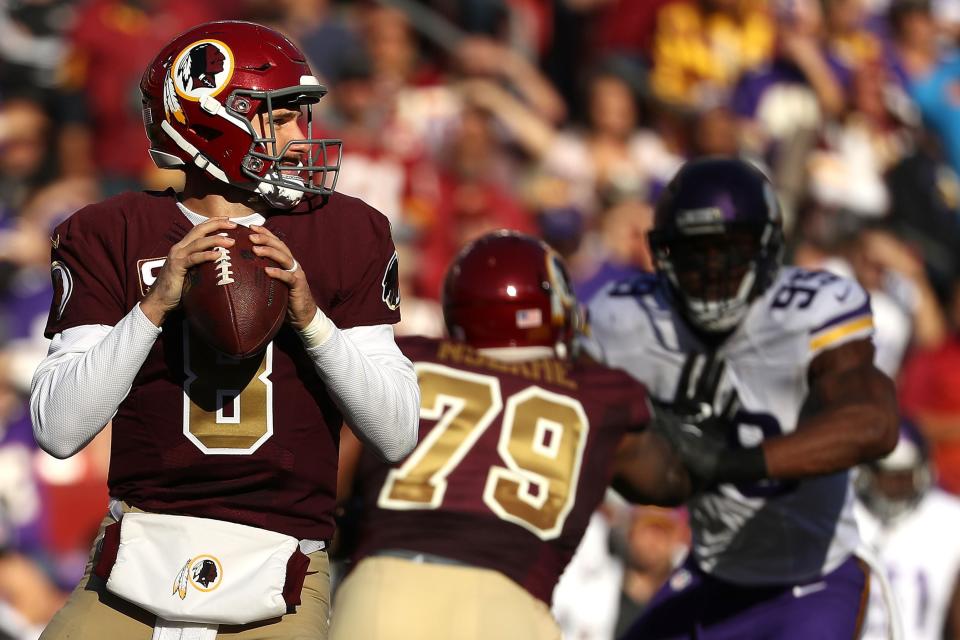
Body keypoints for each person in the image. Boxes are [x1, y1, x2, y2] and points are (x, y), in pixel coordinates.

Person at [28, 20, 420, 640]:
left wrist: (311, 319)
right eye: (279, 116)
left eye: (301, 115)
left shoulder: (345, 232)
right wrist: (153, 307)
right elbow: (58, 428)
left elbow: (397, 434)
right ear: (212, 120)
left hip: (284, 556)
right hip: (137, 544)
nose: (300, 136)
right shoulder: (109, 232)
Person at [586, 156, 900, 639]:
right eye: (696, 254)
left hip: (813, 582)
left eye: (729, 251)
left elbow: (874, 424)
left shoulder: (810, 310)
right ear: (664, 255)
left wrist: (729, 462)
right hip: (710, 575)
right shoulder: (624, 318)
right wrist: (653, 456)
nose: (713, 273)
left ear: (768, 249)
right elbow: (642, 473)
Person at [329, 231, 694, 640]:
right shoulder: (595, 390)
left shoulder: (406, 358)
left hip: (383, 589)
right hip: (506, 603)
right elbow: (668, 482)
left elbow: (328, 491)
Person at [855, 420, 960, 640]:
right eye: (884, 474)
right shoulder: (847, 514)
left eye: (902, 475)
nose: (893, 486)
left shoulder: (949, 519)